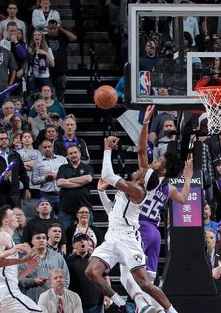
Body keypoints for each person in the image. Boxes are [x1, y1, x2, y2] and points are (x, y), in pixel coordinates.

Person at [83, 134, 178, 313]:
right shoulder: (130, 188)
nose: (139, 170)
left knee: (144, 283)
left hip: (128, 238)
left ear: (143, 179)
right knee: (91, 272)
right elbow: (112, 213)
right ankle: (121, 303)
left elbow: (107, 175)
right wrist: (101, 192)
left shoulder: (137, 190)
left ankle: (170, 310)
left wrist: (107, 150)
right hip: (113, 236)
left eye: (142, 171)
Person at [0, 205, 42, 313]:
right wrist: (11, 251)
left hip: (7, 289)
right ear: (6, 221)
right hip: (6, 291)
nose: (17, 216)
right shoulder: (3, 235)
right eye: (13, 215)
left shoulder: (7, 238)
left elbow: (13, 278)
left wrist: (29, 268)